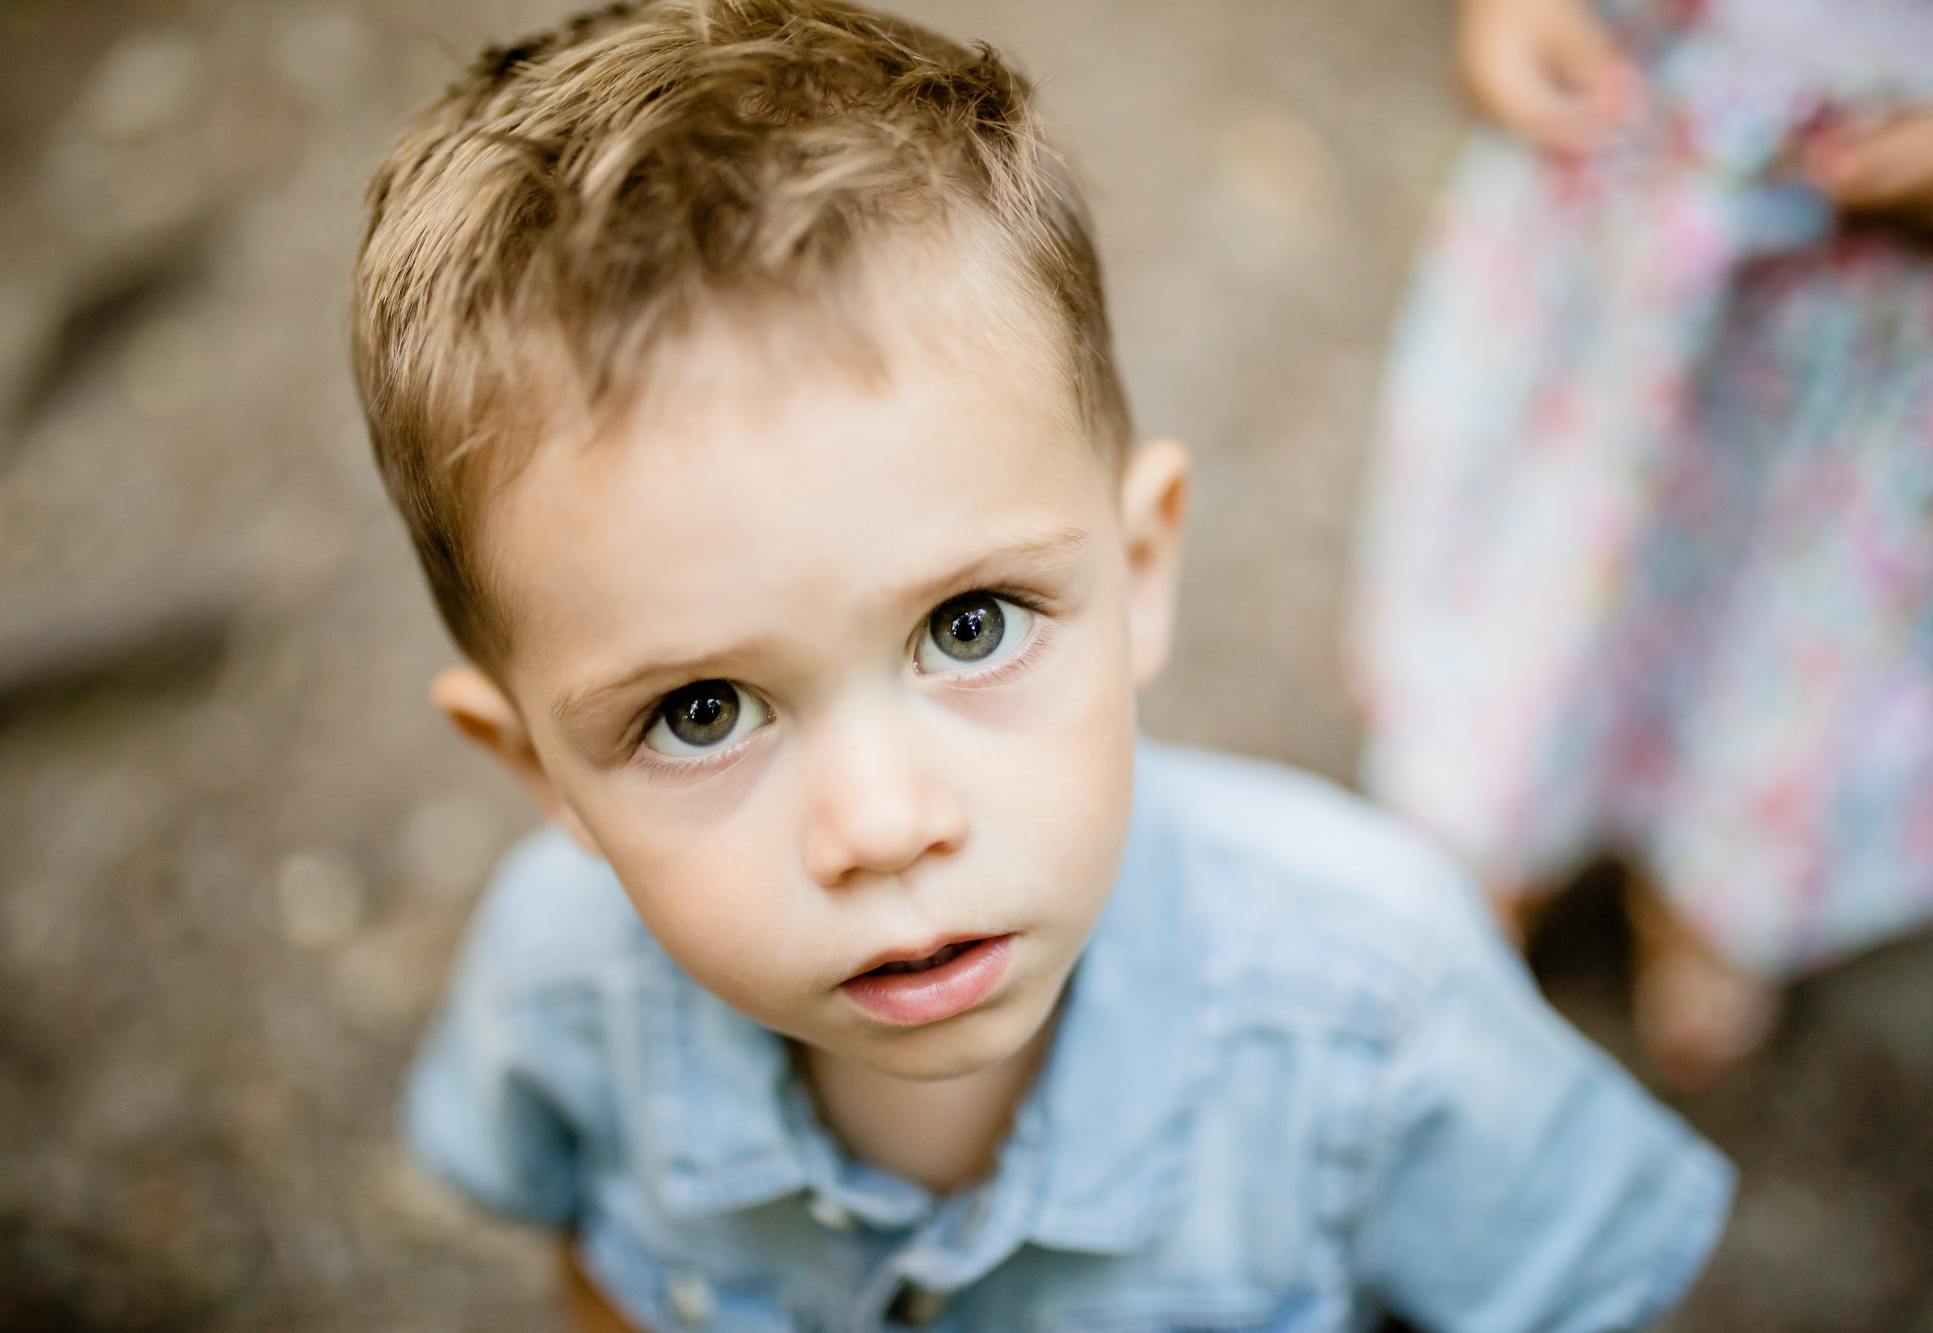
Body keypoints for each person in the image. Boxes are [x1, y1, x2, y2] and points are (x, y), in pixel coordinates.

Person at [352, 3, 1731, 1328]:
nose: (887, 826)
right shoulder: (556, 985)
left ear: (1138, 567)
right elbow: (593, 1272)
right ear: (538, 768)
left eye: (970, 625)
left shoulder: (1382, 1006)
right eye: (700, 711)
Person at [1353, 0, 1933, 1088]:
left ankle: (1720, 876)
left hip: (1903, 243)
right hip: (1641, 137)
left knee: (1806, 597)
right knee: (1566, 525)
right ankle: (1495, 818)